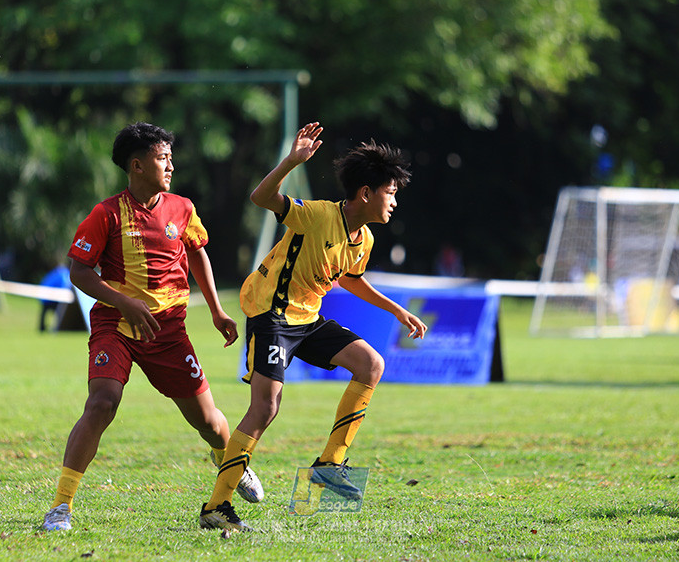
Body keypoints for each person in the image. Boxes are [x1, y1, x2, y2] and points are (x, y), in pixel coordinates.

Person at [198, 122, 428, 532]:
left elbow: (352, 279)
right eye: (390, 193)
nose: (394, 202)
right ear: (365, 193)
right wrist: (291, 161)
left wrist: (397, 310)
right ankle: (217, 507)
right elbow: (261, 197)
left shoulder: (364, 239)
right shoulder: (317, 215)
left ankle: (329, 465)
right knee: (265, 408)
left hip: (307, 318)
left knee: (371, 365)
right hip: (271, 312)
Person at [41, 122, 263, 531]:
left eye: (171, 158)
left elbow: (197, 255)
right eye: (163, 158)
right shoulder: (105, 214)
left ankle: (227, 461)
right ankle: (60, 508)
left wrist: (216, 310)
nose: (170, 165)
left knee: (211, 423)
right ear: (138, 165)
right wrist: (125, 302)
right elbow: (79, 271)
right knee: (102, 403)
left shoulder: (182, 208)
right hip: (116, 325)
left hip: (169, 332)